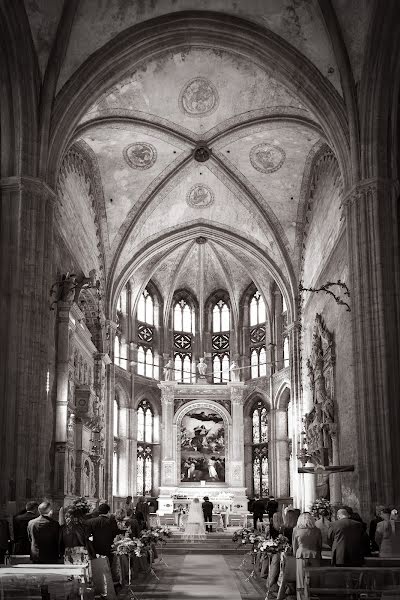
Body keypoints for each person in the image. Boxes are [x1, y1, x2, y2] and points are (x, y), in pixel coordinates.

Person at [292, 512, 322, 600]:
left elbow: (294, 545)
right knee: (314, 578)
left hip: (300, 555)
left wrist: (295, 554)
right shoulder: (317, 530)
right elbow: (319, 545)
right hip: (314, 555)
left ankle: (301, 597)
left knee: (301, 579)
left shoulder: (296, 530)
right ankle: (314, 596)